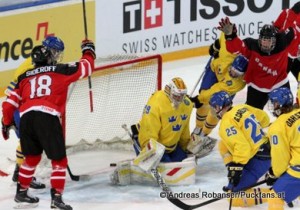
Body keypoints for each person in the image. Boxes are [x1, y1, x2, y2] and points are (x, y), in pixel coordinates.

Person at [1, 39, 96, 209]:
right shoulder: (60, 70)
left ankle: (21, 192)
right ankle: (57, 199)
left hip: (26, 119)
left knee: (31, 158)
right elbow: (86, 67)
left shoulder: (24, 77)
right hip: (47, 116)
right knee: (59, 160)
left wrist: (6, 123)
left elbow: (8, 104)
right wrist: (88, 51)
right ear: (49, 58)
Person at [3, 35, 65, 190]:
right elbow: (17, 90)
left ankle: (19, 172)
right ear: (48, 50)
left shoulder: (40, 60)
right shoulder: (30, 66)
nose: (57, 55)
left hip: (23, 105)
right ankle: (20, 174)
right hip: (20, 105)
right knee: (28, 141)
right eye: (55, 52)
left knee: (26, 142)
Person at [218, 17, 297, 110]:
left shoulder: (282, 40)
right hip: (257, 87)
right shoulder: (252, 45)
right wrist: (230, 36)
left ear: (274, 40)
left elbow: (294, 28)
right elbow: (235, 49)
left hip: (279, 83)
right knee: (251, 114)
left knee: (287, 114)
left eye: (268, 40)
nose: (265, 43)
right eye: (263, 40)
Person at [209, 91, 271, 207]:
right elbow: (264, 118)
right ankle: (232, 169)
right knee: (222, 144)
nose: (213, 111)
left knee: (234, 198)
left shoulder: (225, 124)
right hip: (265, 148)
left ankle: (277, 194)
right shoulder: (241, 107)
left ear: (221, 106)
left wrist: (237, 168)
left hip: (260, 159)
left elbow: (242, 148)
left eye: (215, 107)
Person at [189, 32, 247, 153]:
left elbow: (213, 92)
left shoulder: (237, 84)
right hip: (213, 69)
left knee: (217, 107)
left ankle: (203, 135)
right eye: (233, 70)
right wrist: (215, 46)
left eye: (237, 74)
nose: (233, 74)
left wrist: (198, 99)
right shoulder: (228, 53)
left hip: (223, 85)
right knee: (203, 95)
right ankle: (198, 128)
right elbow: (224, 35)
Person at [131, 77, 193, 164]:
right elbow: (148, 129)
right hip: (151, 143)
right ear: (168, 92)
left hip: (170, 146)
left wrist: (186, 146)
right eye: (176, 96)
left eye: (182, 96)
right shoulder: (156, 103)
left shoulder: (187, 105)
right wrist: (149, 152)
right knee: (167, 165)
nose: (179, 99)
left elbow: (184, 129)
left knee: (184, 161)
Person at [264, 87, 300, 210]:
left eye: (274, 103)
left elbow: (281, 157)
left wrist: (275, 173)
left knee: (275, 197)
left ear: (280, 104)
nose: (273, 106)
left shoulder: (278, 127)